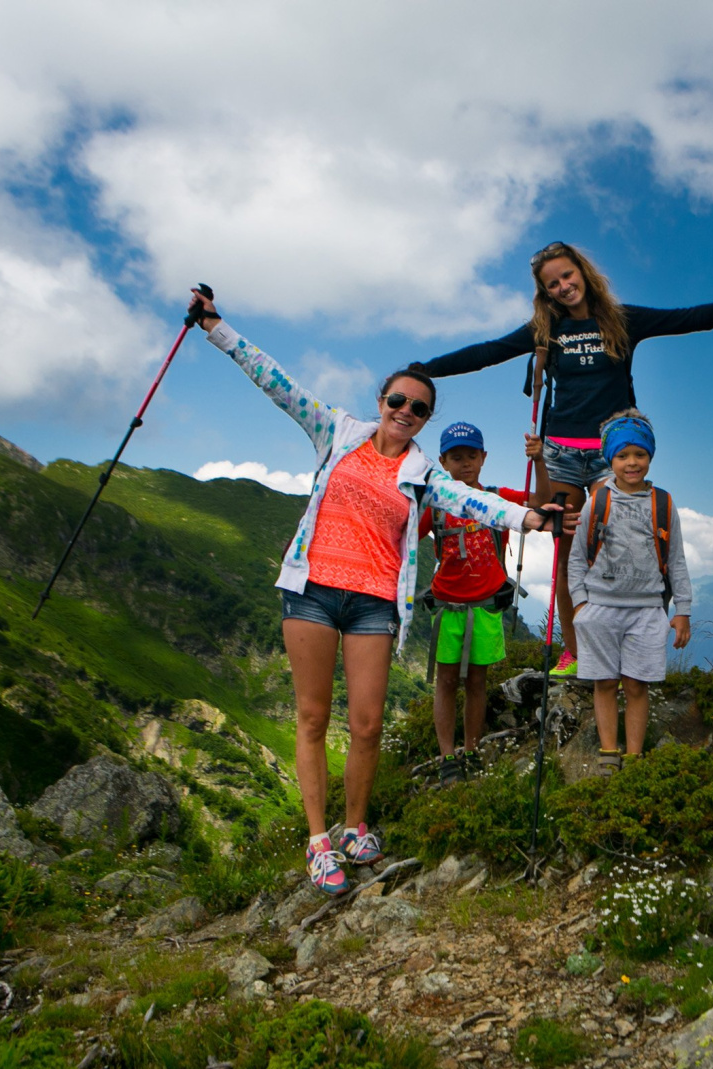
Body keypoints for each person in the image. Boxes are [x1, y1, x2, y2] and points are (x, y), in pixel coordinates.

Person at [191, 290, 564, 895]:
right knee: (313, 718)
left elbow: (475, 501)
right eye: (398, 400)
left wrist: (530, 519)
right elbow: (277, 383)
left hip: (373, 602)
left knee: (365, 725)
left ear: (425, 418)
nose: (406, 411)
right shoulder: (336, 432)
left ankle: (355, 825)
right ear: (381, 401)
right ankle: (319, 842)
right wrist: (216, 327)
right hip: (310, 590)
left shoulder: (425, 472)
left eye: (418, 407)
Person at [419, 242, 713, 678]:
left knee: (615, 546)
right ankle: (576, 653)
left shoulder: (621, 320)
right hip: (562, 455)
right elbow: (488, 352)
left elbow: (686, 319)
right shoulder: (545, 328)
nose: (563, 286)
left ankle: (623, 644)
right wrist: (425, 370)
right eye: (552, 283)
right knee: (569, 554)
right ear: (545, 292)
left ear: (583, 273)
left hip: (612, 453)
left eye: (567, 276)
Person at [567, 410, 692, 777]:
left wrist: (682, 609)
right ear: (610, 459)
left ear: (650, 456)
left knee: (637, 684)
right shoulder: (598, 502)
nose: (631, 463)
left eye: (639, 454)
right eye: (622, 456)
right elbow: (577, 558)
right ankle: (609, 752)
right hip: (600, 606)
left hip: (647, 610)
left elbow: (677, 560)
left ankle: (634, 757)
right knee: (605, 682)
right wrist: (581, 605)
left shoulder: (664, 505)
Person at [420, 422, 535, 781]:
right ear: (443, 461)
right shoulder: (435, 504)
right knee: (446, 683)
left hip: (485, 607)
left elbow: (540, 497)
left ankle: (470, 750)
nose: (465, 463)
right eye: (457, 457)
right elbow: (403, 533)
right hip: (449, 608)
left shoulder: (498, 498)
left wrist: (540, 459)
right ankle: (446, 758)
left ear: (483, 458)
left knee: (476, 683)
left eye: (472, 455)